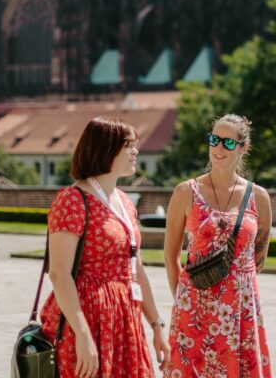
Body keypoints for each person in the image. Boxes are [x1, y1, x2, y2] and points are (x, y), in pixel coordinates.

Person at [41, 116, 170, 378]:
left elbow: (137, 269)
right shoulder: (72, 200)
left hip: (124, 315)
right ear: (106, 148)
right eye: (128, 146)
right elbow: (59, 273)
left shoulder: (124, 201)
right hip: (88, 316)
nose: (136, 151)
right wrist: (83, 334)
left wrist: (157, 325)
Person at [162, 114, 273, 378]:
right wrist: (184, 301)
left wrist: (237, 290)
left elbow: (259, 258)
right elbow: (170, 256)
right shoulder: (184, 192)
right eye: (214, 140)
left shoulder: (259, 197)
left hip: (241, 308)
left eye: (227, 142)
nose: (218, 148)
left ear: (243, 147)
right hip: (194, 306)